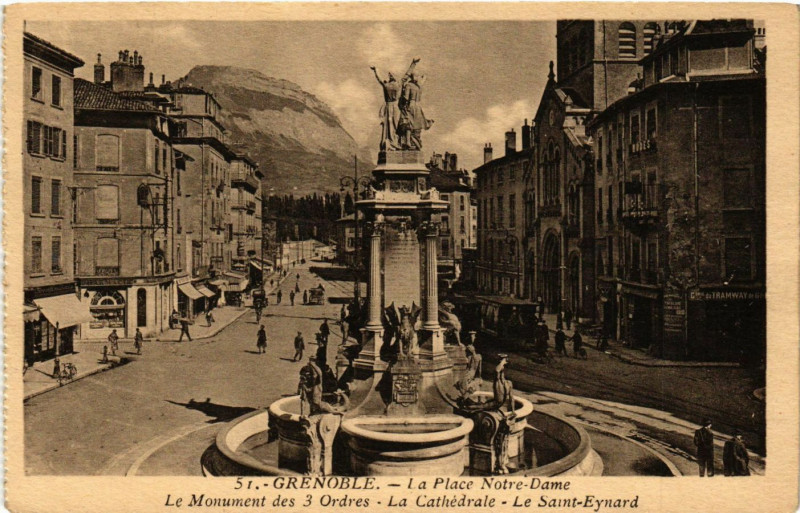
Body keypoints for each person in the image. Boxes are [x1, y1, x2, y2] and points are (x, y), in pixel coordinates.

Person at [370, 65, 402, 150]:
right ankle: (394, 143)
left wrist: (375, 71)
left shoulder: (387, 85)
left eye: (390, 75)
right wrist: (413, 64)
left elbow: (379, 79)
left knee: (389, 124)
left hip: (389, 107)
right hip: (395, 107)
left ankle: (392, 143)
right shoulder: (398, 84)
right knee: (394, 124)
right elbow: (406, 75)